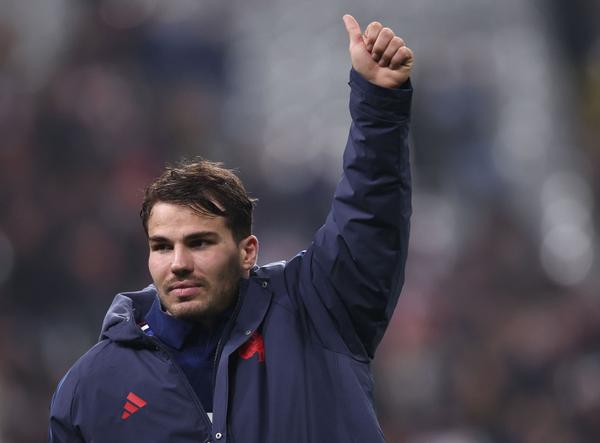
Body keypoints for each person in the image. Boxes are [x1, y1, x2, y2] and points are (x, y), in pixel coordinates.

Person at [49, 14, 414, 443]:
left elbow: (369, 217)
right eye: (162, 247)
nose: (179, 263)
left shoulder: (318, 310)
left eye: (199, 243)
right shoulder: (90, 389)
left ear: (247, 251)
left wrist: (378, 105)